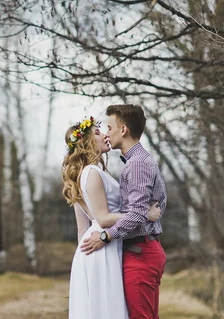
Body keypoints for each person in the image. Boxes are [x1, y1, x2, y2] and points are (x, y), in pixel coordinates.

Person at [62, 116, 161, 319]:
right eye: (98, 133)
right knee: (109, 307)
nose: (106, 135)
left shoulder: (84, 173)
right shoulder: (92, 172)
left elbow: (83, 228)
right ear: (87, 142)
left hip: (94, 246)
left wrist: (85, 261)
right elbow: (103, 218)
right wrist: (143, 214)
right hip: (103, 245)